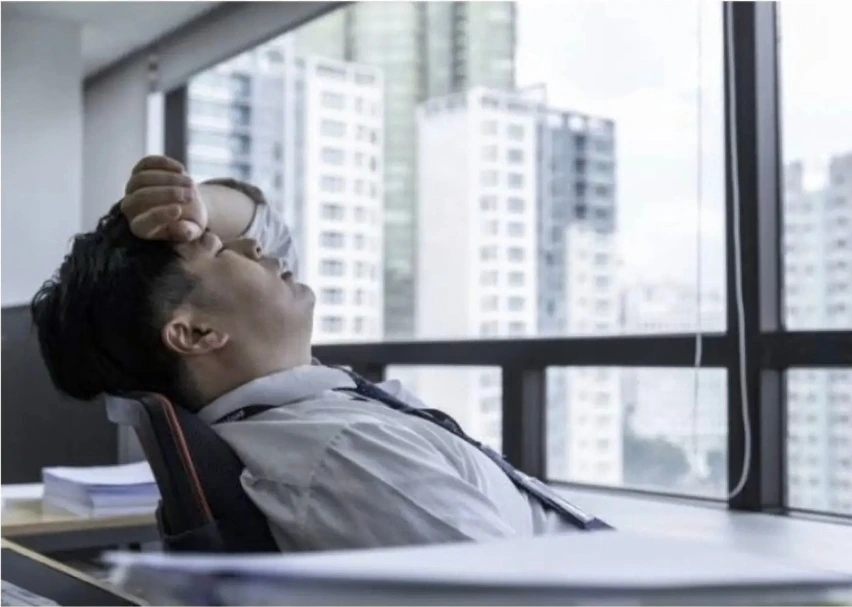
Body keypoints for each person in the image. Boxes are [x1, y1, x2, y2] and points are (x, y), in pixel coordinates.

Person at [32, 155, 605, 553]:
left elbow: (266, 226)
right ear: (198, 334)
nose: (255, 245)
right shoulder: (343, 456)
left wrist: (191, 204)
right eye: (221, 250)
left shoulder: (301, 415)